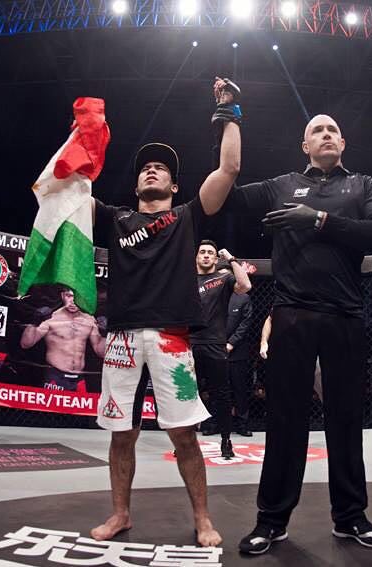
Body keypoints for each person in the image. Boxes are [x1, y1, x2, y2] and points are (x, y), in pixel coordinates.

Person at [226, 113, 372, 554]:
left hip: (345, 314)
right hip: (292, 313)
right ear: (305, 146)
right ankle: (271, 521)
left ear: (343, 142)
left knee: (346, 420)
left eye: (332, 130)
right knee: (284, 420)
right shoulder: (281, 185)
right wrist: (229, 124)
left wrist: (317, 219)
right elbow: (227, 196)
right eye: (317, 131)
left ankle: (351, 517)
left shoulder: (362, 185)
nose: (326, 135)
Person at [89, 78, 241, 547]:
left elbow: (230, 168)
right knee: (121, 435)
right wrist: (83, 137)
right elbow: (66, 190)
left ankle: (203, 519)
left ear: (173, 185)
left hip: (172, 339)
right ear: (136, 183)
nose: (151, 171)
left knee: (185, 437)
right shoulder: (115, 218)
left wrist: (229, 111)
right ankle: (120, 514)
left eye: (160, 169)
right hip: (121, 339)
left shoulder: (188, 216)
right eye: (145, 168)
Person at [190, 240, 251, 458]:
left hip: (215, 344)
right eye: (202, 252)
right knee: (187, 395)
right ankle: (185, 443)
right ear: (196, 257)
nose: (206, 255)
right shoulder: (186, 279)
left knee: (222, 395)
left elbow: (245, 286)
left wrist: (231, 259)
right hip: (189, 344)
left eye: (210, 253)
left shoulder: (223, 278)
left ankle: (226, 440)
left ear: (216, 259)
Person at [20, 287, 106, 391]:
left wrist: (104, 333)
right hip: (55, 377)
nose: (73, 301)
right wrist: (34, 322)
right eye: (69, 296)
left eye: (78, 297)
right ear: (62, 296)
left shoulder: (89, 320)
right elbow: (26, 344)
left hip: (79, 379)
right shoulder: (51, 318)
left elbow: (100, 352)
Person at [226, 290, 255, 436]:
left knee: (240, 389)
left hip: (237, 351)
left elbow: (246, 322)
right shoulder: (214, 295)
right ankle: (214, 423)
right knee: (216, 388)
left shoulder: (243, 298)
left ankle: (242, 424)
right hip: (215, 348)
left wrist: (232, 342)